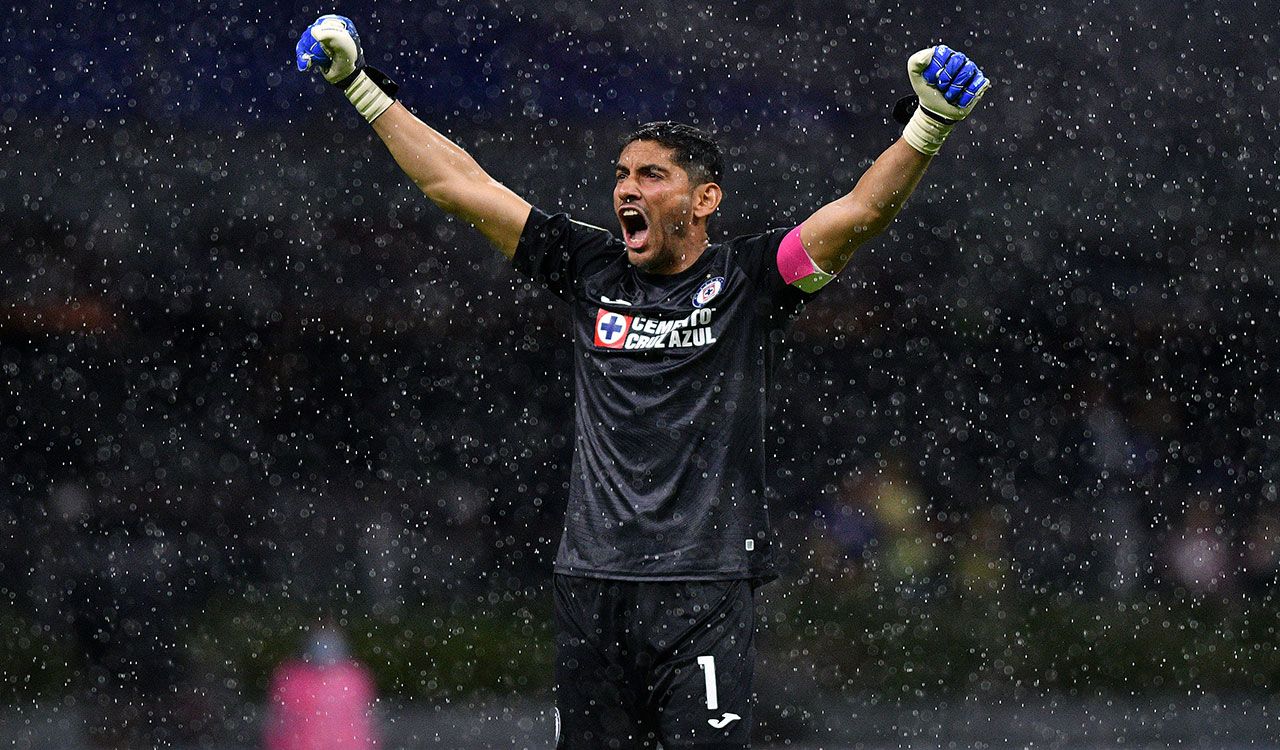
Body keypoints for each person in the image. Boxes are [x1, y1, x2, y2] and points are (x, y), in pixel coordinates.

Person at [296, 15, 990, 749]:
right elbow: (457, 185)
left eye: (651, 175)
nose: (627, 188)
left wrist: (931, 125)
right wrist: (358, 86)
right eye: (621, 175)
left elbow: (860, 213)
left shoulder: (750, 280)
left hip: (704, 589)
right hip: (592, 585)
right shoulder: (590, 267)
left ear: (704, 200)